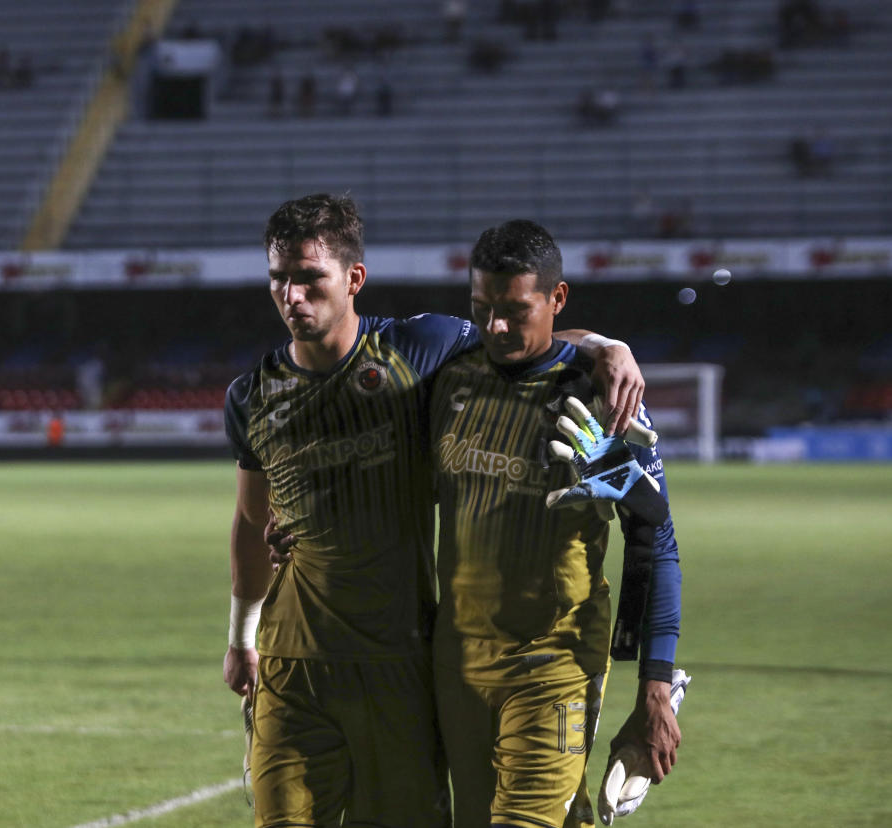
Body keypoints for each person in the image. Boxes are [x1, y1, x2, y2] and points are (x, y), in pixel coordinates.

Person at [223, 194, 647, 828]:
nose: (292, 296)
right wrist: (241, 637)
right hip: (294, 663)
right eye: (279, 279)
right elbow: (251, 526)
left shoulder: (421, 352)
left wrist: (606, 345)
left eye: (309, 278)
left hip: (402, 661)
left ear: (353, 279)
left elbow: (526, 338)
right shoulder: (251, 394)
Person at [428, 219, 682, 828]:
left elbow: (654, 537)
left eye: (515, 310)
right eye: (482, 307)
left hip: (555, 662)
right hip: (457, 664)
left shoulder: (603, 397)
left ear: (556, 299)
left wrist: (654, 682)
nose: (495, 326)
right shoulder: (448, 379)